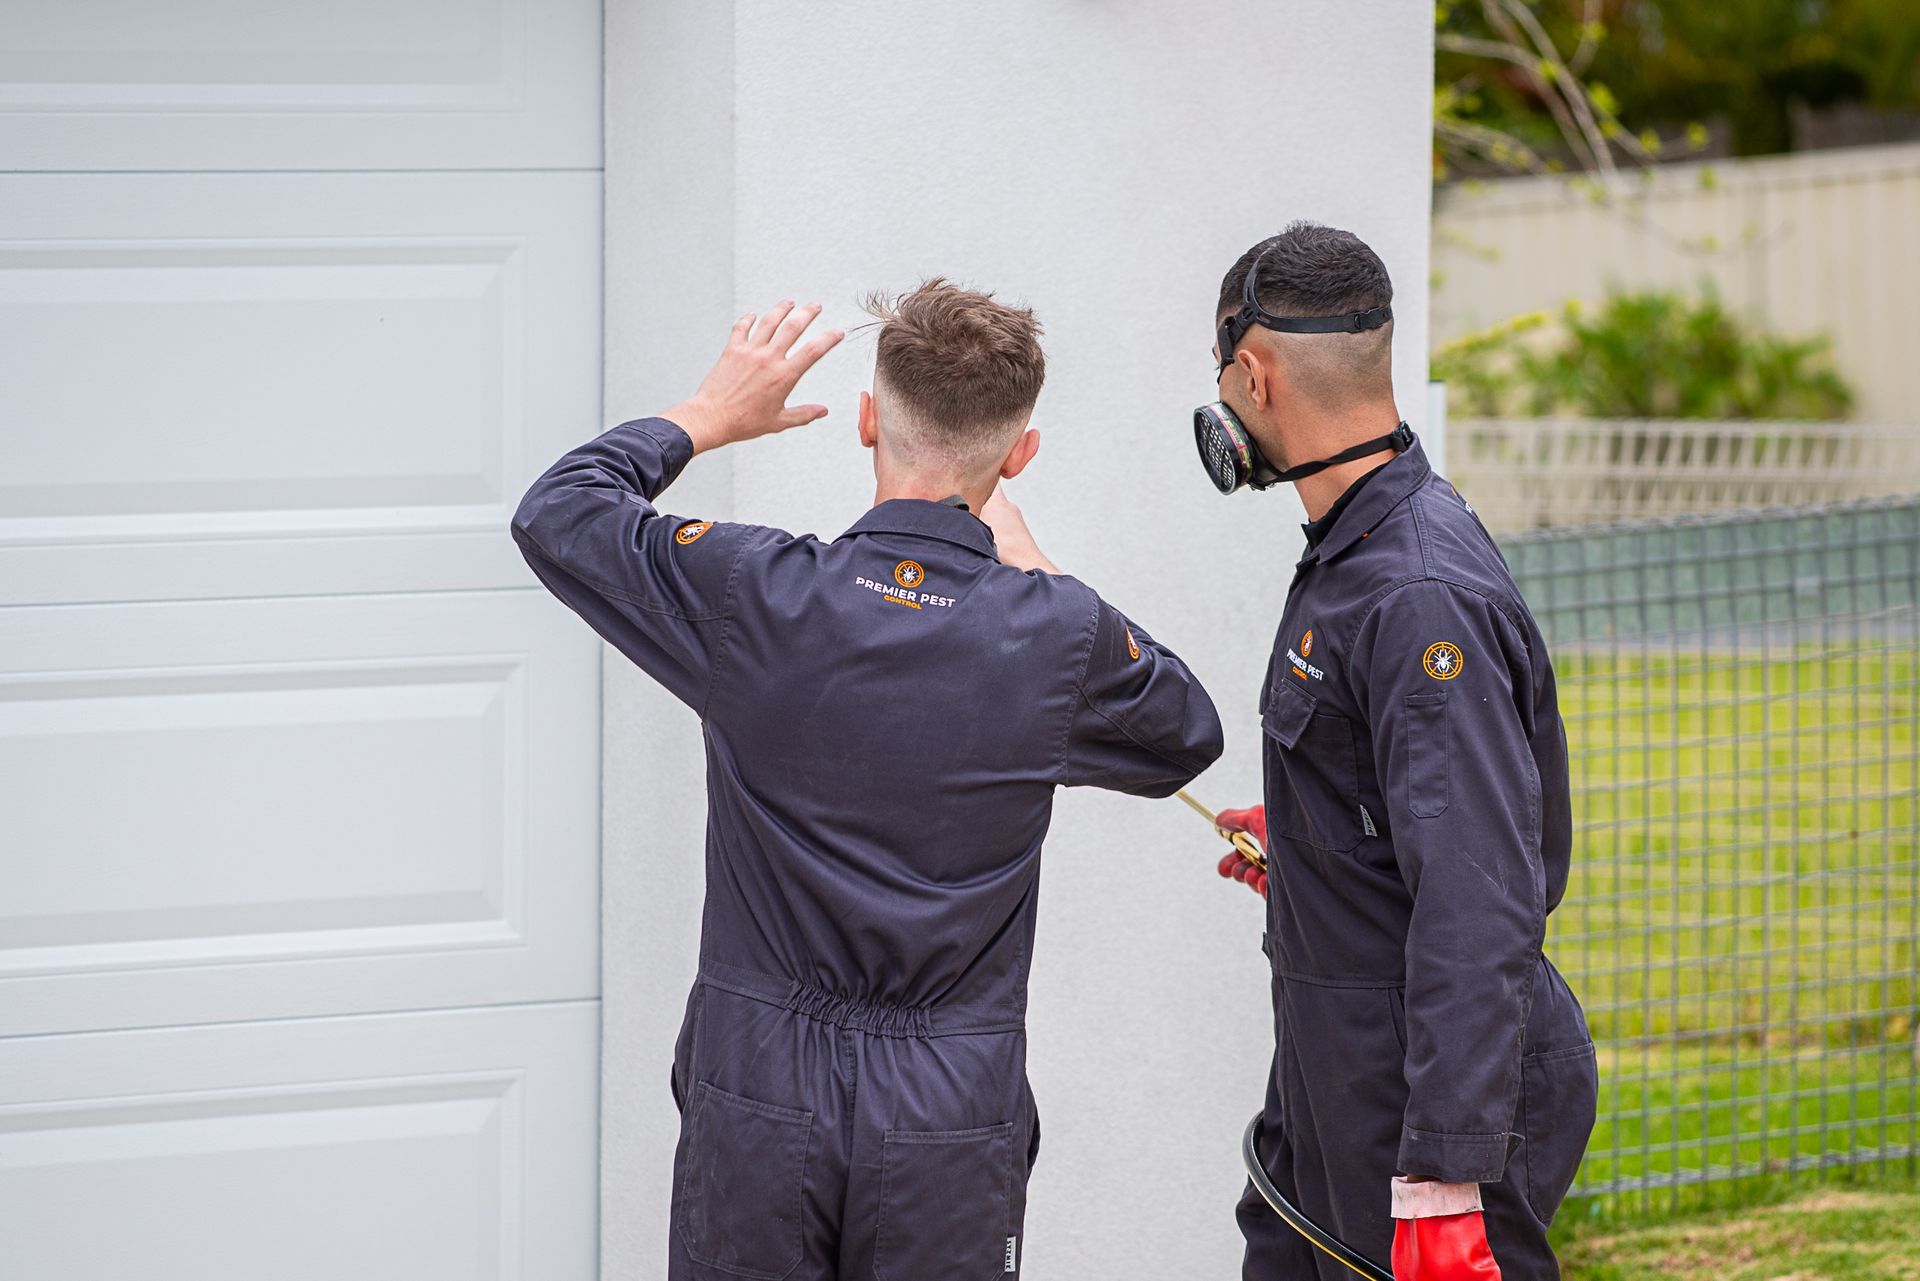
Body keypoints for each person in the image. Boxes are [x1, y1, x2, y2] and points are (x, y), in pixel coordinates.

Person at [511, 281, 1224, 1280]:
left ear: (862, 422)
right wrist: (1032, 565)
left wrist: (708, 417)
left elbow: (560, 511)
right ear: (1019, 454)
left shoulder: (750, 589)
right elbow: (1186, 729)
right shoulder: (1058, 635)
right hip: (947, 1098)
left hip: (759, 1077)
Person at [1198, 223, 1598, 1281]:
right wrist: (1315, 840)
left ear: (1255, 372)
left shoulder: (1415, 591)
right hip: (1337, 1078)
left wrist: (1443, 1180)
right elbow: (1410, 804)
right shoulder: (1358, 550)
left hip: (1421, 1105)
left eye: (1224, 379)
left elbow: (1480, 899)